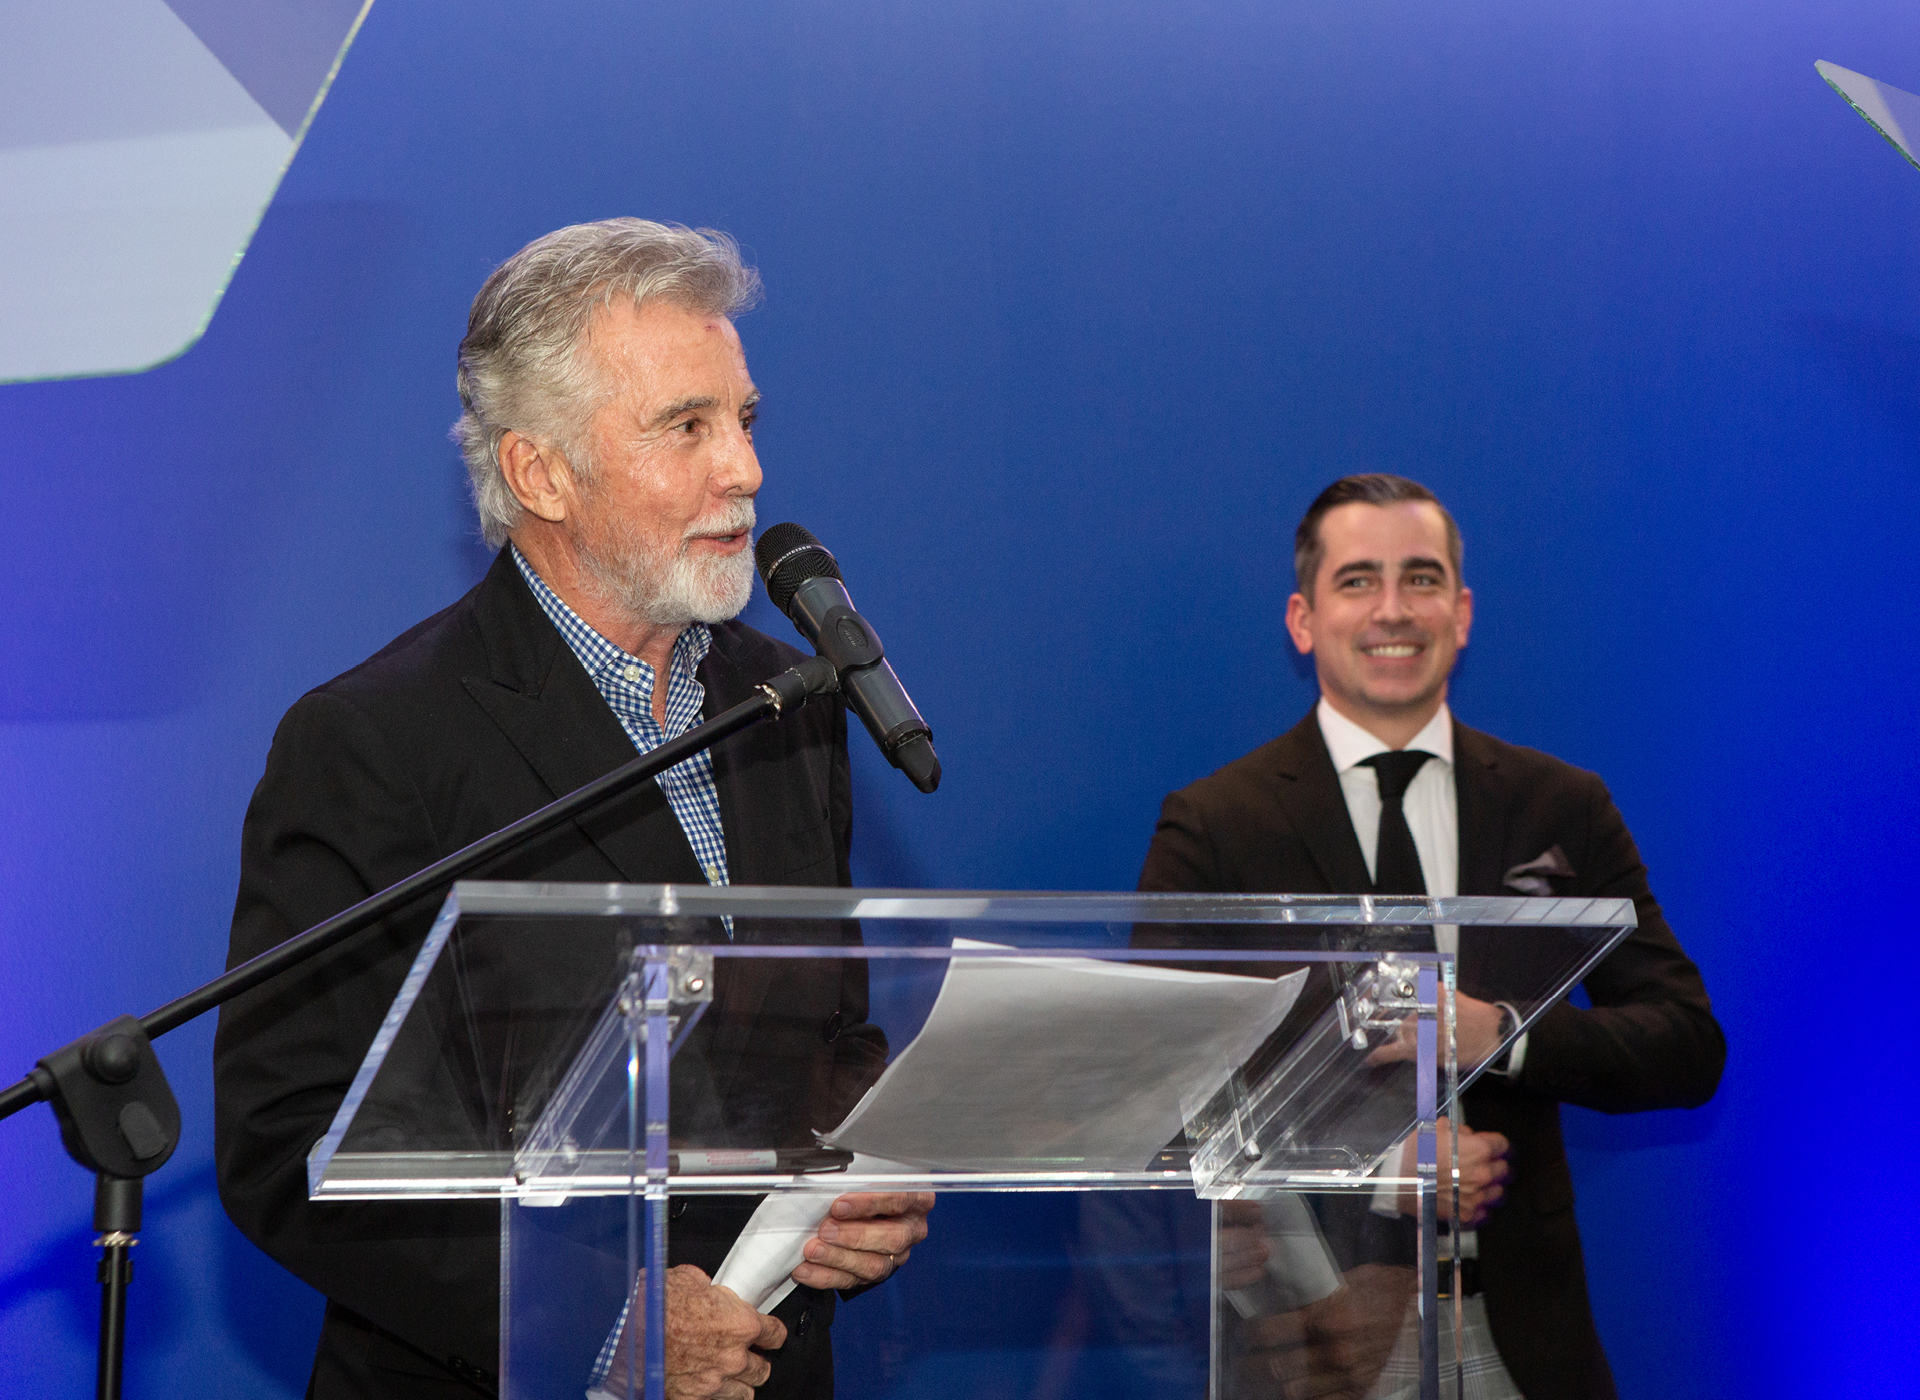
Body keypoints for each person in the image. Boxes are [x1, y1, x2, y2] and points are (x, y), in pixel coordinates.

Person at [213, 220, 931, 1400]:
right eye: (686, 425)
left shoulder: (789, 700)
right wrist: (601, 1318)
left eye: (745, 419)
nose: (743, 469)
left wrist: (850, 1179)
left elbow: (828, 1032)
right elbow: (290, 1138)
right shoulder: (376, 739)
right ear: (541, 472)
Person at [1138, 474, 1724, 1399]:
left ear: (1462, 610)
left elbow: (1688, 1046)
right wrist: (1375, 1170)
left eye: (1421, 578)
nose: (1393, 610)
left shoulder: (1562, 804)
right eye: (1358, 580)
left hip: (1518, 1333)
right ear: (1303, 618)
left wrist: (1501, 1035)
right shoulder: (1215, 825)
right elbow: (1158, 1095)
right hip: (1311, 1342)